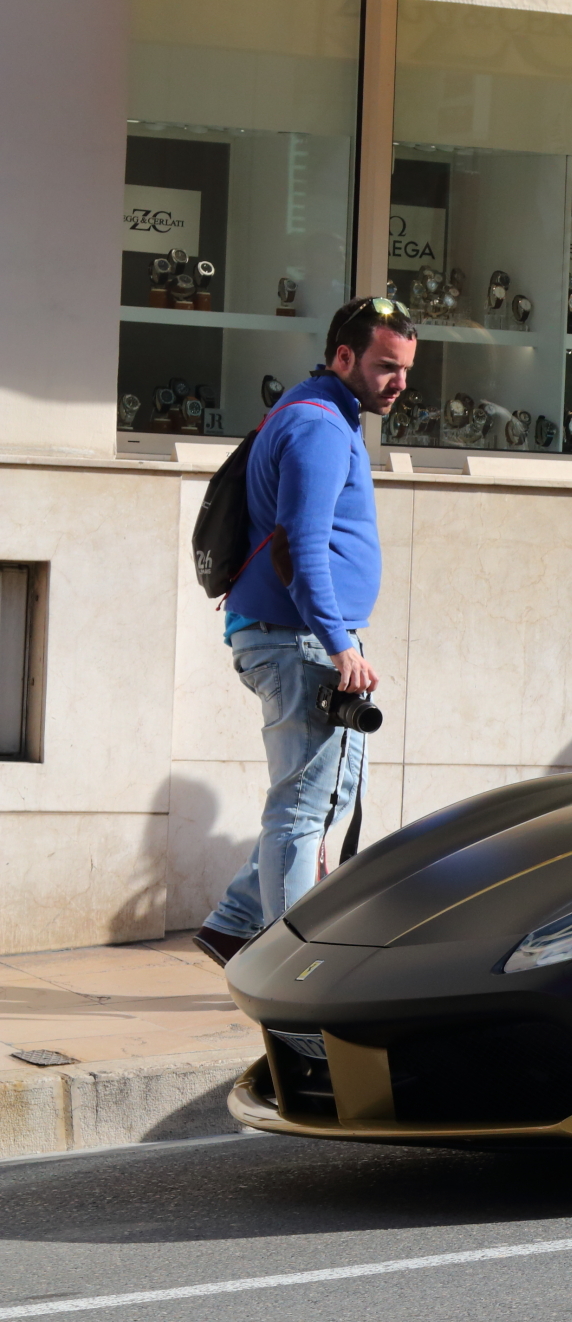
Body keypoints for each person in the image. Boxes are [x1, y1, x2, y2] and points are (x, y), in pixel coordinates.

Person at [191, 296, 413, 965]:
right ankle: (287, 973)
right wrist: (340, 642)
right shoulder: (319, 427)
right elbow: (303, 546)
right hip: (300, 639)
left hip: (298, 634)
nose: (399, 382)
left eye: (405, 368)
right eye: (384, 366)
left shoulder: (324, 411)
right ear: (343, 357)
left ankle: (235, 922)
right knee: (301, 806)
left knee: (334, 790)